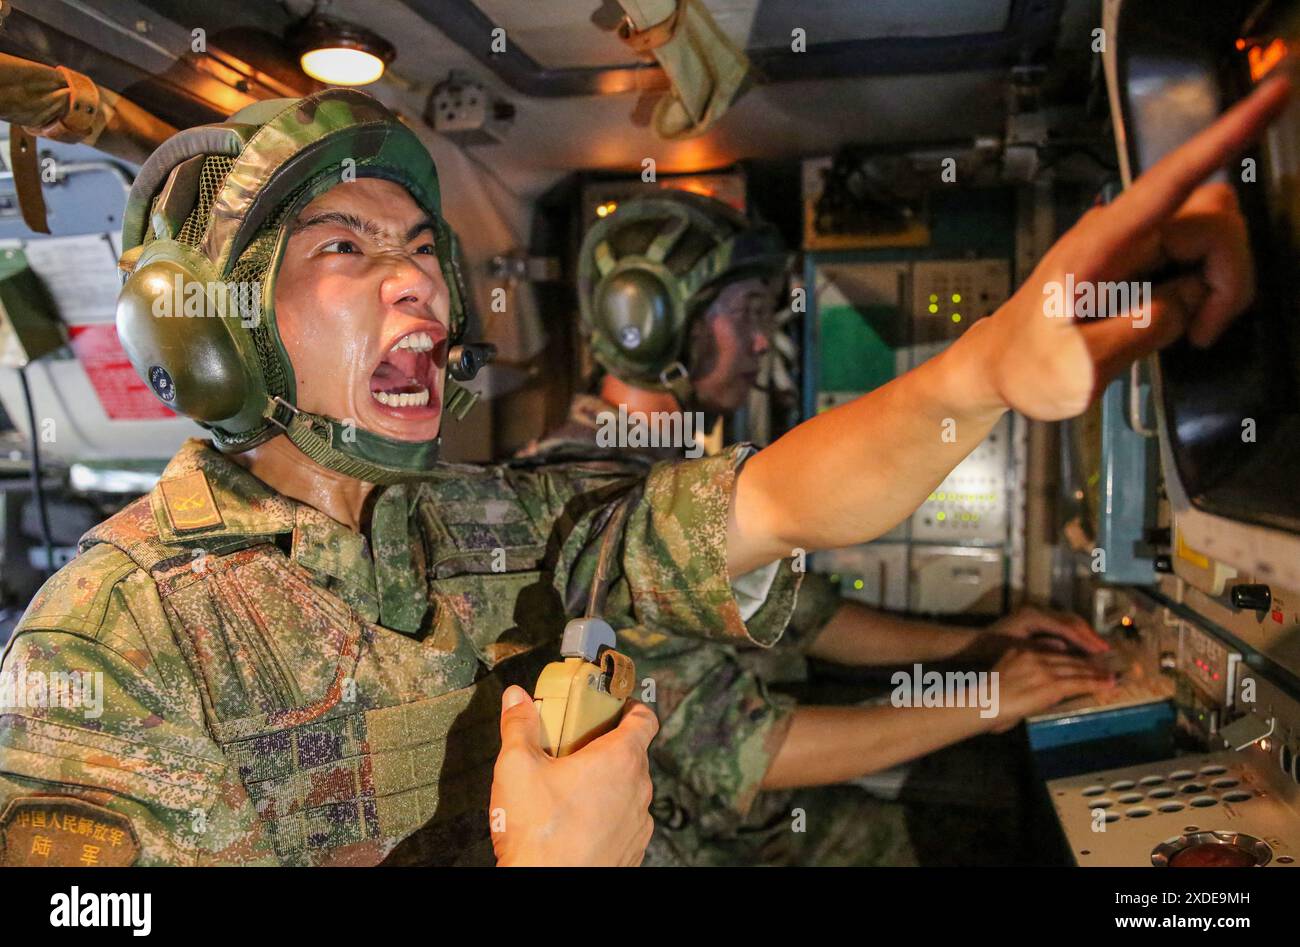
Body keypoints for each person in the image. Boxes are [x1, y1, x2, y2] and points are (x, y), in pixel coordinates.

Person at [0, 69, 1289, 866]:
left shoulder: (483, 518)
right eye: (342, 245)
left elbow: (774, 504)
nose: (415, 276)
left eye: (418, 245)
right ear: (207, 326)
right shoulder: (111, 643)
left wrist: (983, 377)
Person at [520, 190, 1114, 865]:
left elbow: (807, 616)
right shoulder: (588, 503)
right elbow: (743, 751)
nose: (758, 340)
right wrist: (988, 701)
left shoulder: (663, 467)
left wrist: (977, 644)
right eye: (745, 312)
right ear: (650, 324)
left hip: (756, 822)